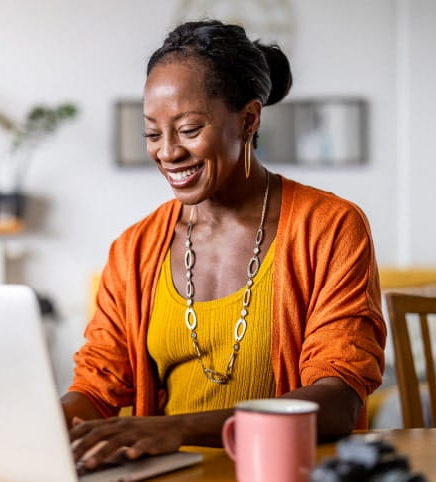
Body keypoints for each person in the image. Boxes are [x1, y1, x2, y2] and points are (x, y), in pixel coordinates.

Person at [64, 19, 386, 470]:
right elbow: (97, 389)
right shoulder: (134, 250)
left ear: (249, 119)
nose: (168, 152)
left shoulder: (330, 227)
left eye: (189, 129)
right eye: (153, 134)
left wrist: (176, 428)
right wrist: (40, 425)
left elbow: (338, 398)